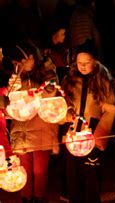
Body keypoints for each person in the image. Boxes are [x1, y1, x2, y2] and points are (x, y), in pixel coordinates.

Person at [61, 39, 115, 203]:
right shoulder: (70, 81)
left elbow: (110, 109)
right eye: (79, 62)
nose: (83, 66)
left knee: (91, 174)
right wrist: (68, 112)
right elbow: (63, 103)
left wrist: (101, 133)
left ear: (95, 62)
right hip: (73, 132)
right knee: (73, 175)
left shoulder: (103, 82)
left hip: (93, 132)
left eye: (87, 62)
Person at [5, 42, 59, 203]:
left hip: (41, 130)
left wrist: (27, 88)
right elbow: (8, 103)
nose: (18, 66)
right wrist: (11, 89)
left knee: (40, 171)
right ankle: (26, 199)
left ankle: (40, 199)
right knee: (24, 171)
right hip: (20, 131)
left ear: (30, 57)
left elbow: (51, 92)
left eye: (19, 62)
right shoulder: (16, 76)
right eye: (15, 64)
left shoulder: (47, 70)